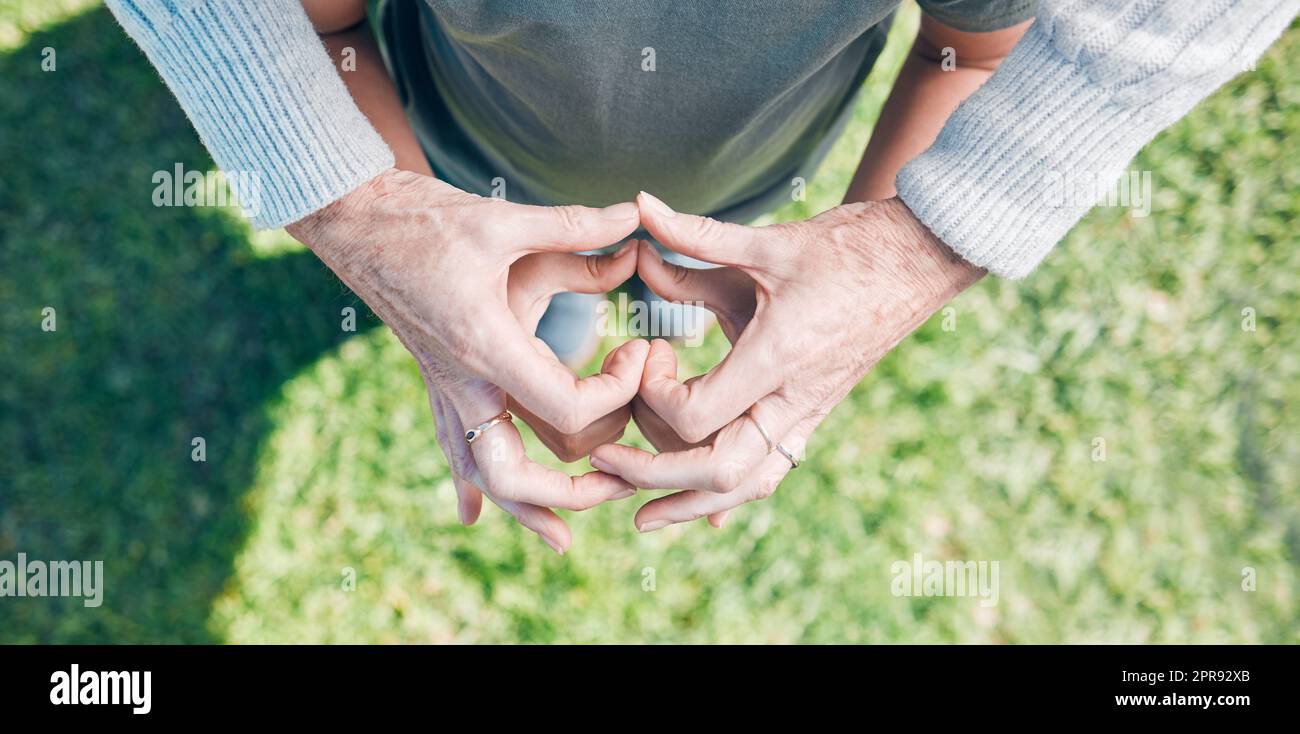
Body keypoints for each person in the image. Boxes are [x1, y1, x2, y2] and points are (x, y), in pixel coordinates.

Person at [105, 0, 1297, 553]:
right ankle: (552, 319)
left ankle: (635, 303)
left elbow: (965, 50)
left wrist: (885, 250)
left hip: (744, 207)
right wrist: (383, 217)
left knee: (680, 293)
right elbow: (320, 30)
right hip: (478, 179)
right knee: (550, 314)